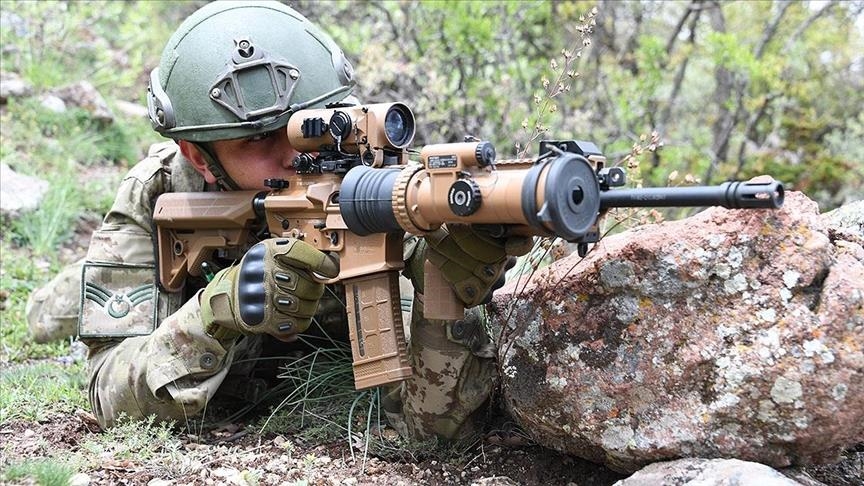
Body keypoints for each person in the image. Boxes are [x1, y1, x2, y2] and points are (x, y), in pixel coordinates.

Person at [28, 0, 529, 441]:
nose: (295, 155)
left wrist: (445, 288)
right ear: (198, 156)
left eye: (309, 128)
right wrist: (218, 310)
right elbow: (108, 393)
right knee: (52, 312)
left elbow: (437, 429)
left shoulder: (388, 190)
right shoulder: (159, 191)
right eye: (260, 139)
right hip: (172, 279)